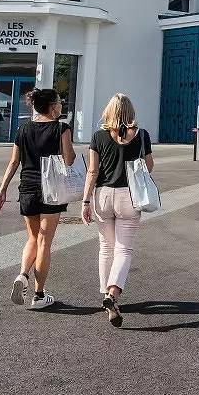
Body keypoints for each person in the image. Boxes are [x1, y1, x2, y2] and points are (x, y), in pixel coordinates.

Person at [0, 87, 75, 311]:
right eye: (59, 101)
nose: (61, 104)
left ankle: (22, 274)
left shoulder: (23, 129)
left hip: (27, 188)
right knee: (44, 242)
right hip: (51, 190)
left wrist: (2, 190)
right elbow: (69, 160)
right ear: (52, 106)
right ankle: (39, 295)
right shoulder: (61, 128)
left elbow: (13, 162)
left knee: (32, 238)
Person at [81, 93, 154, 328]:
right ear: (131, 112)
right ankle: (113, 294)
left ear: (109, 111)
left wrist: (85, 201)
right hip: (129, 196)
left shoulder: (99, 136)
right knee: (123, 249)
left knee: (105, 248)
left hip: (103, 194)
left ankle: (106, 295)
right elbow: (149, 166)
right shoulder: (142, 135)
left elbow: (93, 171)